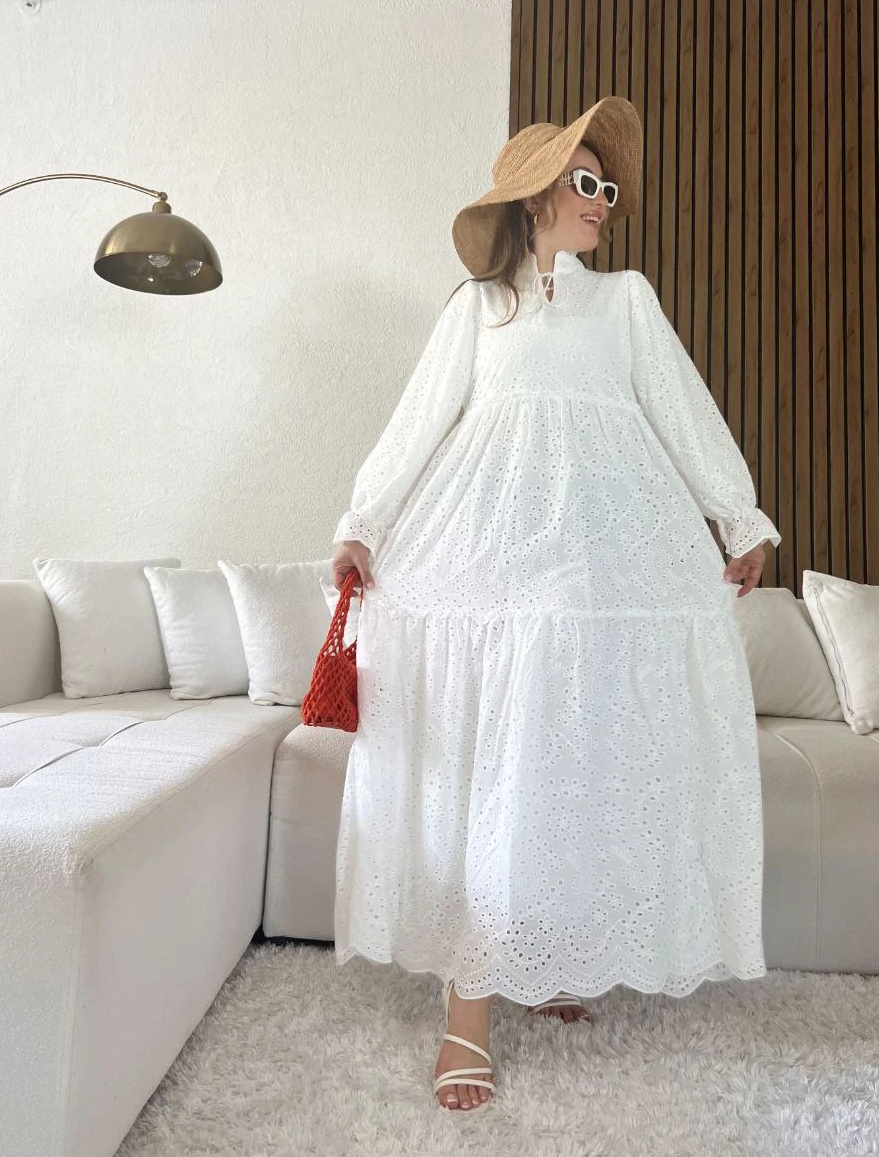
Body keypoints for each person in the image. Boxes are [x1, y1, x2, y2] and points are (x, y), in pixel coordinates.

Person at [329, 95, 782, 1113]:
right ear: (535, 195)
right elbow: (417, 422)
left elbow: (683, 408)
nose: (604, 201)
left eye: (609, 188)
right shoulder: (475, 309)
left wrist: (737, 515)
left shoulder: (626, 302)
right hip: (487, 557)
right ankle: (467, 1015)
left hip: (598, 566)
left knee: (570, 759)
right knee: (494, 763)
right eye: (586, 182)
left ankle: (548, 958)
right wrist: (364, 522)